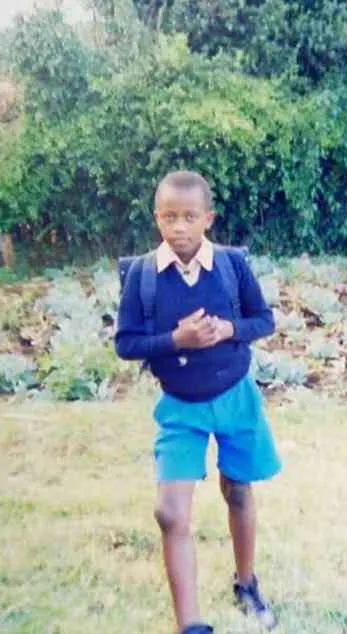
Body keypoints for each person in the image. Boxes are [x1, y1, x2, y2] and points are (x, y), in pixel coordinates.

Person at [115, 170, 282, 633]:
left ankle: (245, 582)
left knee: (238, 491)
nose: (180, 227)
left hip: (235, 397)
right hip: (180, 408)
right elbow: (126, 343)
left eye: (190, 217)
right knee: (169, 512)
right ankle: (190, 625)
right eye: (169, 217)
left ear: (207, 218)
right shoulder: (144, 275)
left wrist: (229, 329)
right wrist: (177, 339)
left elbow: (263, 320)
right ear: (156, 219)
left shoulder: (231, 265)